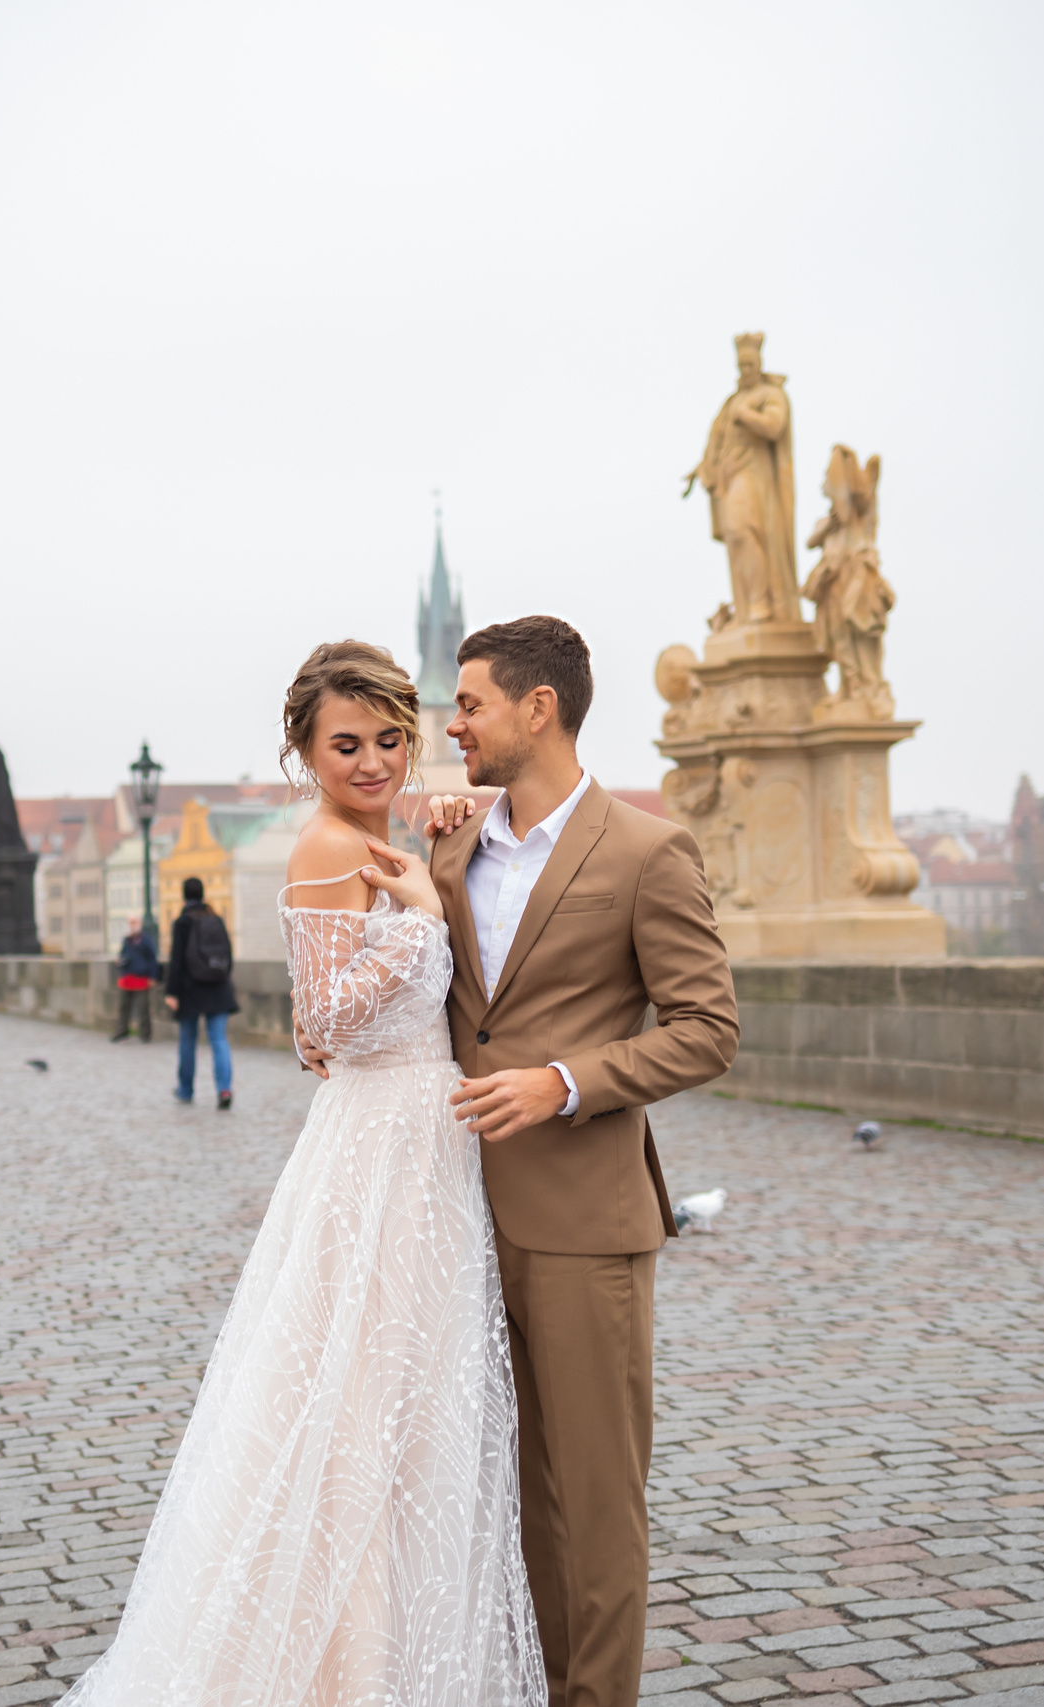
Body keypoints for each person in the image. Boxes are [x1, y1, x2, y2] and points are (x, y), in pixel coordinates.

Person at [63, 639, 542, 1706]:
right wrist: (424, 917)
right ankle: (344, 1670)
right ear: (305, 753)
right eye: (346, 745)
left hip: (417, 1133)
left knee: (403, 1401)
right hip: (383, 1140)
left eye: (390, 740)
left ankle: (378, 1658)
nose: (372, 763)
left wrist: (448, 811)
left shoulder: (384, 828)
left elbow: (331, 1007)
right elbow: (323, 1017)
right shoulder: (327, 845)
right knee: (363, 1404)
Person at [307, 615, 739, 1705]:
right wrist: (321, 1025)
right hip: (447, 1219)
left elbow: (707, 1030)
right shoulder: (449, 845)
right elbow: (384, 987)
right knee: (498, 1501)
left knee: (593, 1506)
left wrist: (563, 1083)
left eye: (469, 706)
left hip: (584, 1223)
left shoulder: (647, 852)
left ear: (537, 709)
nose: (449, 726)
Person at [162, 877, 237, 1109]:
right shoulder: (215, 918)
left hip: (190, 989)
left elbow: (176, 961)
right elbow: (228, 955)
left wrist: (171, 992)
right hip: (218, 987)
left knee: (188, 1040)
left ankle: (186, 1089)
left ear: (184, 895)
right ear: (203, 894)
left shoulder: (182, 922)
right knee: (219, 1039)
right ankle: (224, 1089)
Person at [108, 915, 158, 1042]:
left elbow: (152, 959)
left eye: (134, 922)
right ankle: (122, 1030)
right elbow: (123, 955)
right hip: (127, 976)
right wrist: (120, 962)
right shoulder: (127, 940)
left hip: (141, 977)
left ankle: (145, 1033)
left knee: (143, 1008)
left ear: (139, 923)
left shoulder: (146, 940)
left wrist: (152, 977)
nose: (132, 925)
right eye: (130, 922)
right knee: (123, 1007)